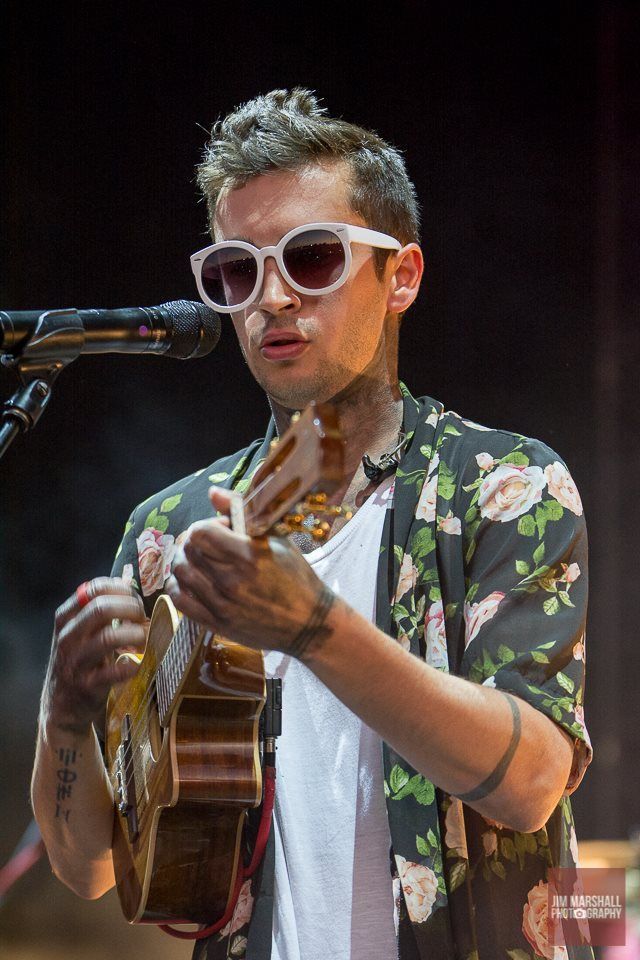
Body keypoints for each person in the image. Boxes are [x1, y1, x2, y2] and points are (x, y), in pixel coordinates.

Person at [31, 89, 593, 960]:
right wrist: (65, 717)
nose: (273, 297)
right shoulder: (168, 532)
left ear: (400, 275)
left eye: (313, 256)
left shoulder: (503, 484)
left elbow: (527, 785)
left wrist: (315, 628)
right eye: (237, 270)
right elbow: (90, 869)